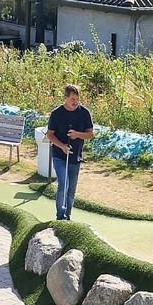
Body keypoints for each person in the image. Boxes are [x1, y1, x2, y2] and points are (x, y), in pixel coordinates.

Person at [45, 84, 95, 221]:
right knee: (64, 184)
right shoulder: (56, 114)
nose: (75, 102)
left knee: (72, 189)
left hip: (76, 155)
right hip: (59, 155)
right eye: (73, 99)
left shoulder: (84, 113)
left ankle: (68, 216)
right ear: (66, 98)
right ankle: (60, 216)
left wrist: (77, 134)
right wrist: (62, 146)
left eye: (77, 99)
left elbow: (90, 134)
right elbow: (50, 134)